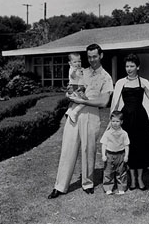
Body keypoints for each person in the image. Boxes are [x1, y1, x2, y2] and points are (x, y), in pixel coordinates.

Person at [48, 44, 113, 199]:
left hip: (91, 115)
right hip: (74, 114)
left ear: (101, 56)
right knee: (67, 149)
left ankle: (88, 183)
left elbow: (104, 102)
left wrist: (84, 101)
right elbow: (71, 87)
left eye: (95, 56)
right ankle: (60, 186)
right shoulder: (81, 71)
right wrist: (70, 94)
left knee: (88, 150)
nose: (92, 60)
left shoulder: (106, 77)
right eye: (89, 57)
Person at [110, 53, 149, 191]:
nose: (129, 69)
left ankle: (139, 178)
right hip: (126, 117)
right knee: (128, 146)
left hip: (140, 118)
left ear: (138, 67)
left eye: (132, 66)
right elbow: (114, 104)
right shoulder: (121, 82)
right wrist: (112, 122)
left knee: (140, 147)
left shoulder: (144, 82)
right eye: (127, 66)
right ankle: (131, 179)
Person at [100, 111, 130, 195]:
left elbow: (126, 145)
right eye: (113, 121)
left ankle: (121, 187)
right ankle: (108, 187)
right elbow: (104, 144)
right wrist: (103, 155)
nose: (115, 123)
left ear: (121, 122)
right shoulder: (107, 133)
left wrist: (126, 156)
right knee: (108, 172)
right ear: (110, 121)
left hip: (120, 154)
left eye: (117, 121)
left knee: (121, 172)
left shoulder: (124, 133)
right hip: (110, 154)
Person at [66, 52, 94, 123]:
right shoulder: (72, 69)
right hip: (75, 87)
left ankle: (69, 111)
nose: (77, 63)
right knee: (85, 101)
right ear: (70, 63)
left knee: (76, 100)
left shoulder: (79, 69)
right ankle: (74, 112)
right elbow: (73, 76)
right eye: (75, 62)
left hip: (78, 87)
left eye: (79, 61)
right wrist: (75, 71)